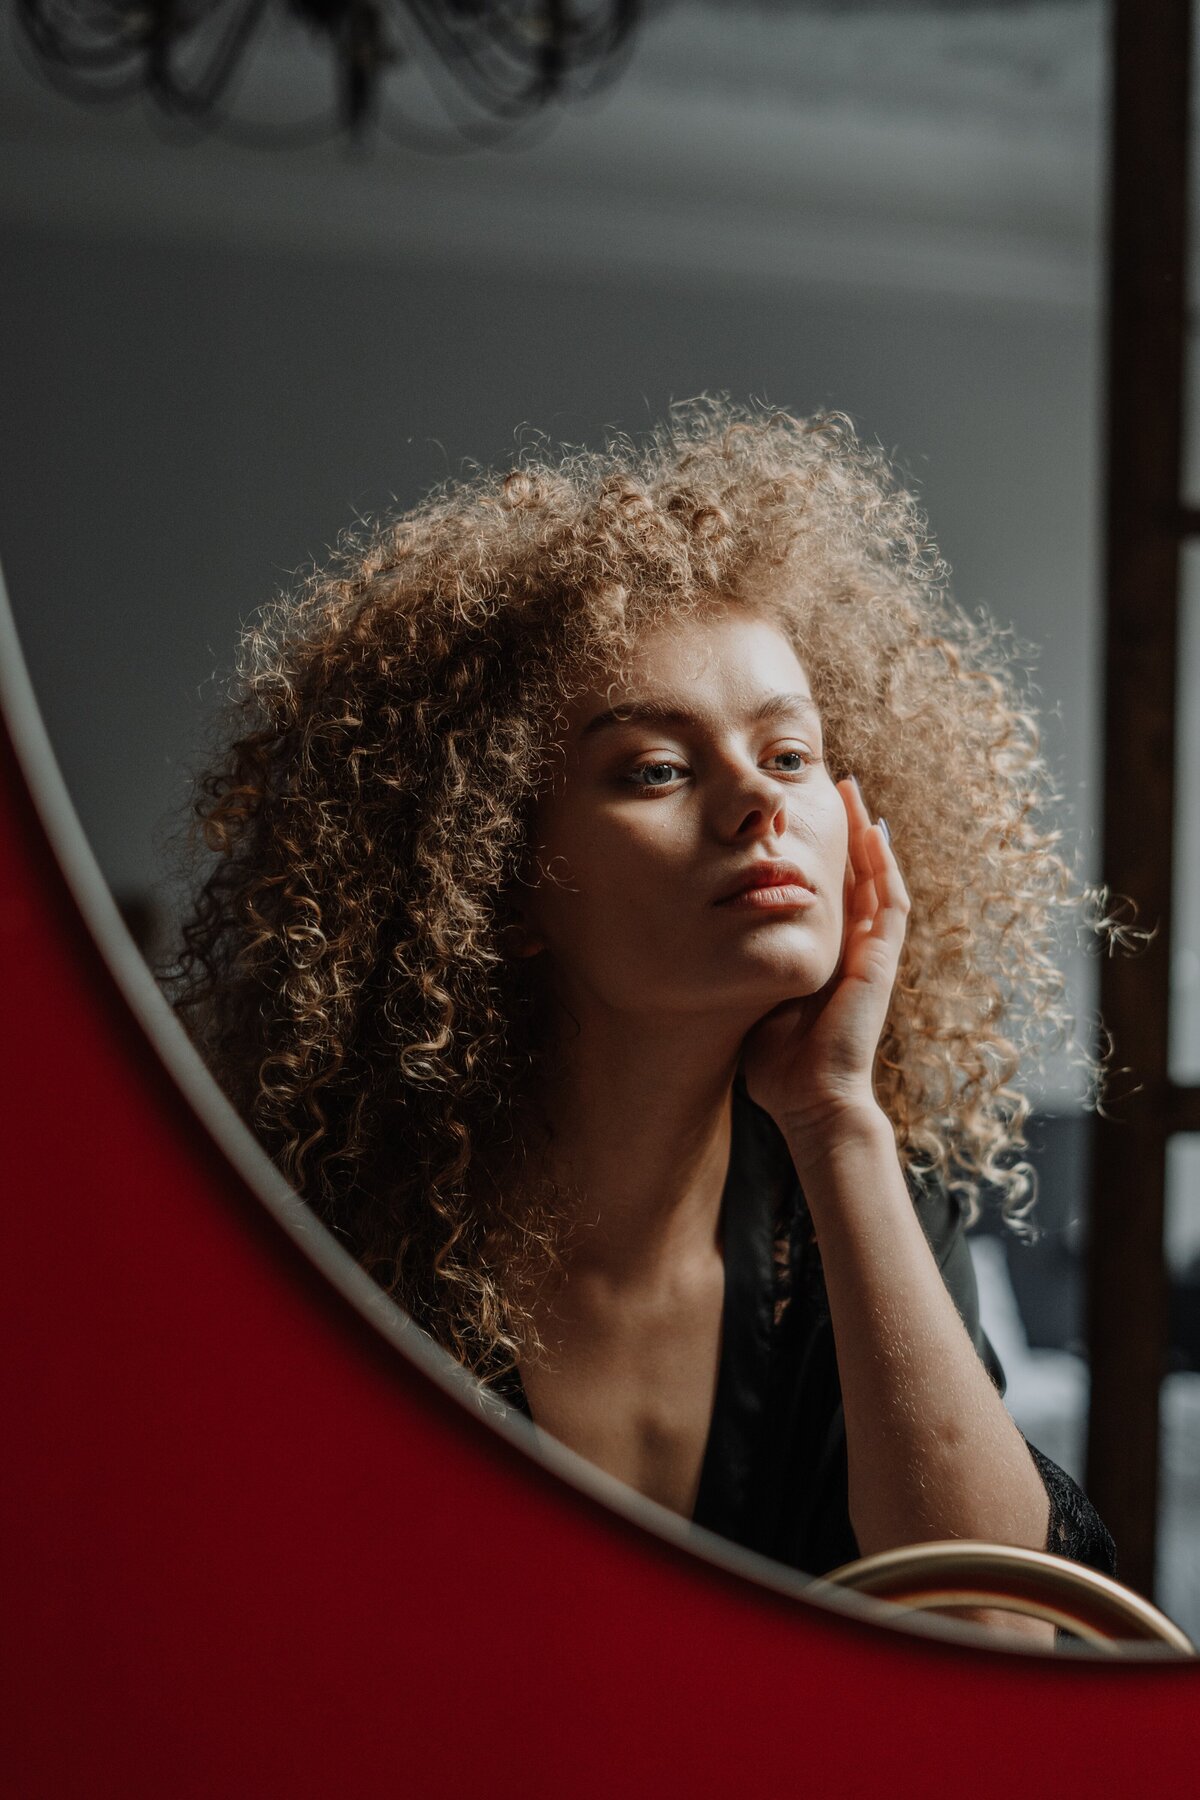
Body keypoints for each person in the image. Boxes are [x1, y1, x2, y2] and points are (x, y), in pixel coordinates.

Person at [170, 397, 1118, 1638]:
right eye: (656, 770)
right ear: (492, 879)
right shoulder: (318, 1235)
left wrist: (839, 1118)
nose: (755, 805)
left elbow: (998, 1637)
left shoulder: (859, 1202)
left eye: (789, 756)